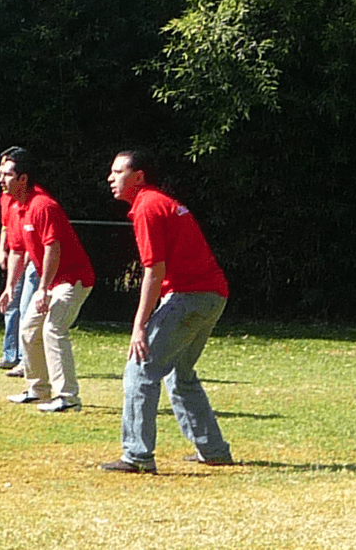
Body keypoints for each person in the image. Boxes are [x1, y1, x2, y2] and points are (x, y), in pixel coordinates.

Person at [100, 150, 233, 474]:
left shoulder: (147, 207)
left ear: (139, 177)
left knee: (140, 369)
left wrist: (139, 325)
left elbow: (154, 271)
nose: (111, 178)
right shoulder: (159, 202)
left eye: (118, 172)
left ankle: (137, 456)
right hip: (212, 295)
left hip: (188, 296)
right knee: (179, 373)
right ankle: (213, 450)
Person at [0, 147, 94, 413]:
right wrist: (10, 287)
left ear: (23, 178)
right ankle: (38, 390)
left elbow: (53, 248)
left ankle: (68, 397)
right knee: (28, 329)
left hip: (73, 278)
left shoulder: (43, 205)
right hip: (52, 281)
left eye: (7, 174)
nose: (1, 179)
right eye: (1, 174)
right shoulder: (15, 207)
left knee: (53, 328)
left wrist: (41, 289)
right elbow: (18, 251)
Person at [0, 153, 40, 378]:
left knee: (27, 309)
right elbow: (6, 227)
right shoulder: (7, 197)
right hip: (18, 255)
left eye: (7, 171)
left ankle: (26, 361)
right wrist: (2, 248)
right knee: (11, 303)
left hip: (33, 261)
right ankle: (10, 355)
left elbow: (35, 236)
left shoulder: (34, 200)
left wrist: (25, 257)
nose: (1, 176)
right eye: (1, 168)